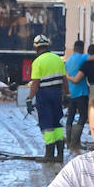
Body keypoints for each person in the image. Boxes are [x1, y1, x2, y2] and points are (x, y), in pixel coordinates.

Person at [27, 34, 69, 163]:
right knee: (57, 123)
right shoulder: (58, 59)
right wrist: (67, 94)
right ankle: (60, 155)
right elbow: (64, 79)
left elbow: (35, 83)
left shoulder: (37, 62)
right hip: (57, 94)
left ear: (36, 47)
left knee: (46, 124)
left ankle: (49, 154)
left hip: (44, 95)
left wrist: (29, 99)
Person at [64, 39, 90, 152]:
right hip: (81, 92)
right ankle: (75, 142)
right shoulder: (83, 57)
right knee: (83, 116)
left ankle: (69, 142)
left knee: (70, 116)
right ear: (82, 48)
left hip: (71, 93)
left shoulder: (68, 60)